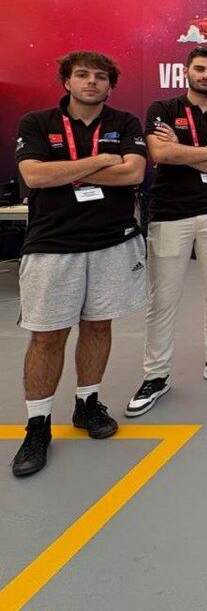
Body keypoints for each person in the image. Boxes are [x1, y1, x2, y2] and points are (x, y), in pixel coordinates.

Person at [11, 52, 147, 476]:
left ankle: (87, 403)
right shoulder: (37, 123)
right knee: (47, 336)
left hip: (112, 242)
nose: (91, 82)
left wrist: (66, 171)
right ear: (66, 81)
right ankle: (38, 425)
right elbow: (35, 176)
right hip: (53, 244)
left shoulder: (125, 123)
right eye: (82, 75)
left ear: (110, 85)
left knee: (99, 326)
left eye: (100, 77)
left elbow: (133, 174)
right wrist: (102, 161)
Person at [125, 47, 207, 418]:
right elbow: (161, 155)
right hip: (169, 216)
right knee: (163, 299)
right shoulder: (163, 110)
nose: (206, 75)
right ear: (186, 72)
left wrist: (184, 149)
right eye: (200, 69)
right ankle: (156, 376)